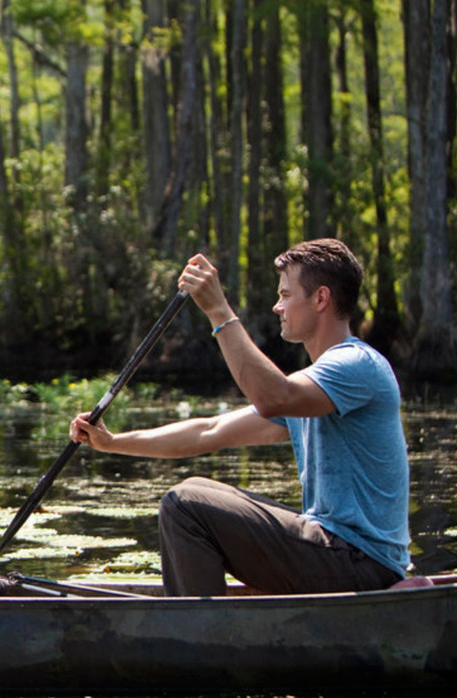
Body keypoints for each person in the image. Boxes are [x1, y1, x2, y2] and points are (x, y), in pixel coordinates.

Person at [69, 238, 410, 596]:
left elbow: (272, 397)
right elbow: (210, 431)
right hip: (337, 556)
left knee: (185, 505)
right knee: (196, 492)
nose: (277, 307)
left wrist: (219, 312)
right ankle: (202, 622)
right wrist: (113, 442)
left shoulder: (356, 365)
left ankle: (199, 637)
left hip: (361, 563)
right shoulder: (312, 390)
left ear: (321, 299)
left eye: (286, 295)